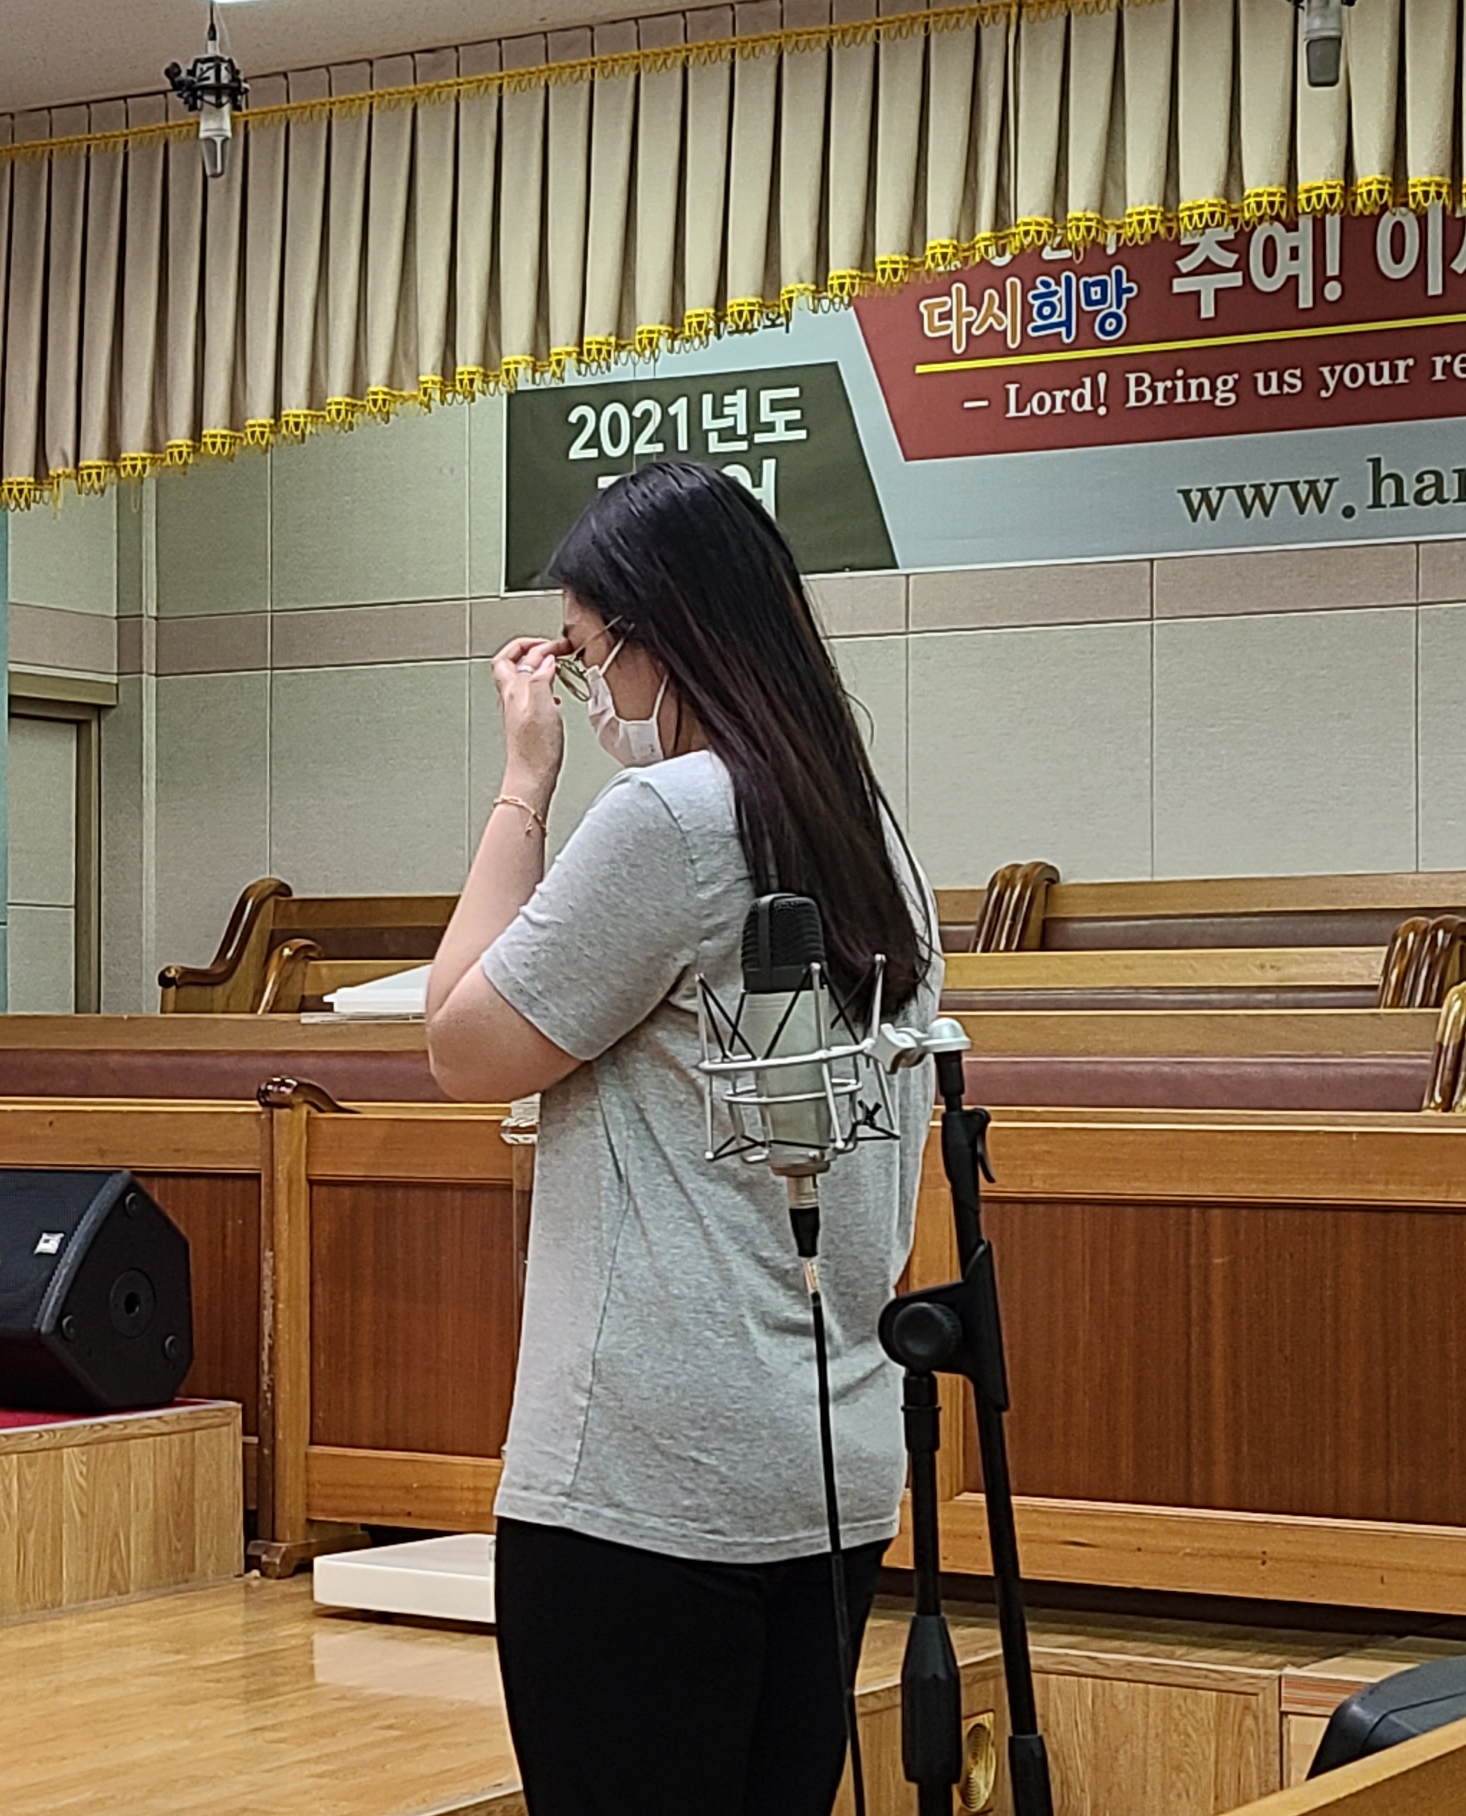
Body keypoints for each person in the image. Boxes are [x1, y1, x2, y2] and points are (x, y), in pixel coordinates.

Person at [419, 461, 941, 1816]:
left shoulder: (669, 817)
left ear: (656, 638)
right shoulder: (870, 834)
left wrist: (523, 783)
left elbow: (461, 1046)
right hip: (826, 1466)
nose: (590, 692)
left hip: (646, 1477)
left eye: (587, 655)